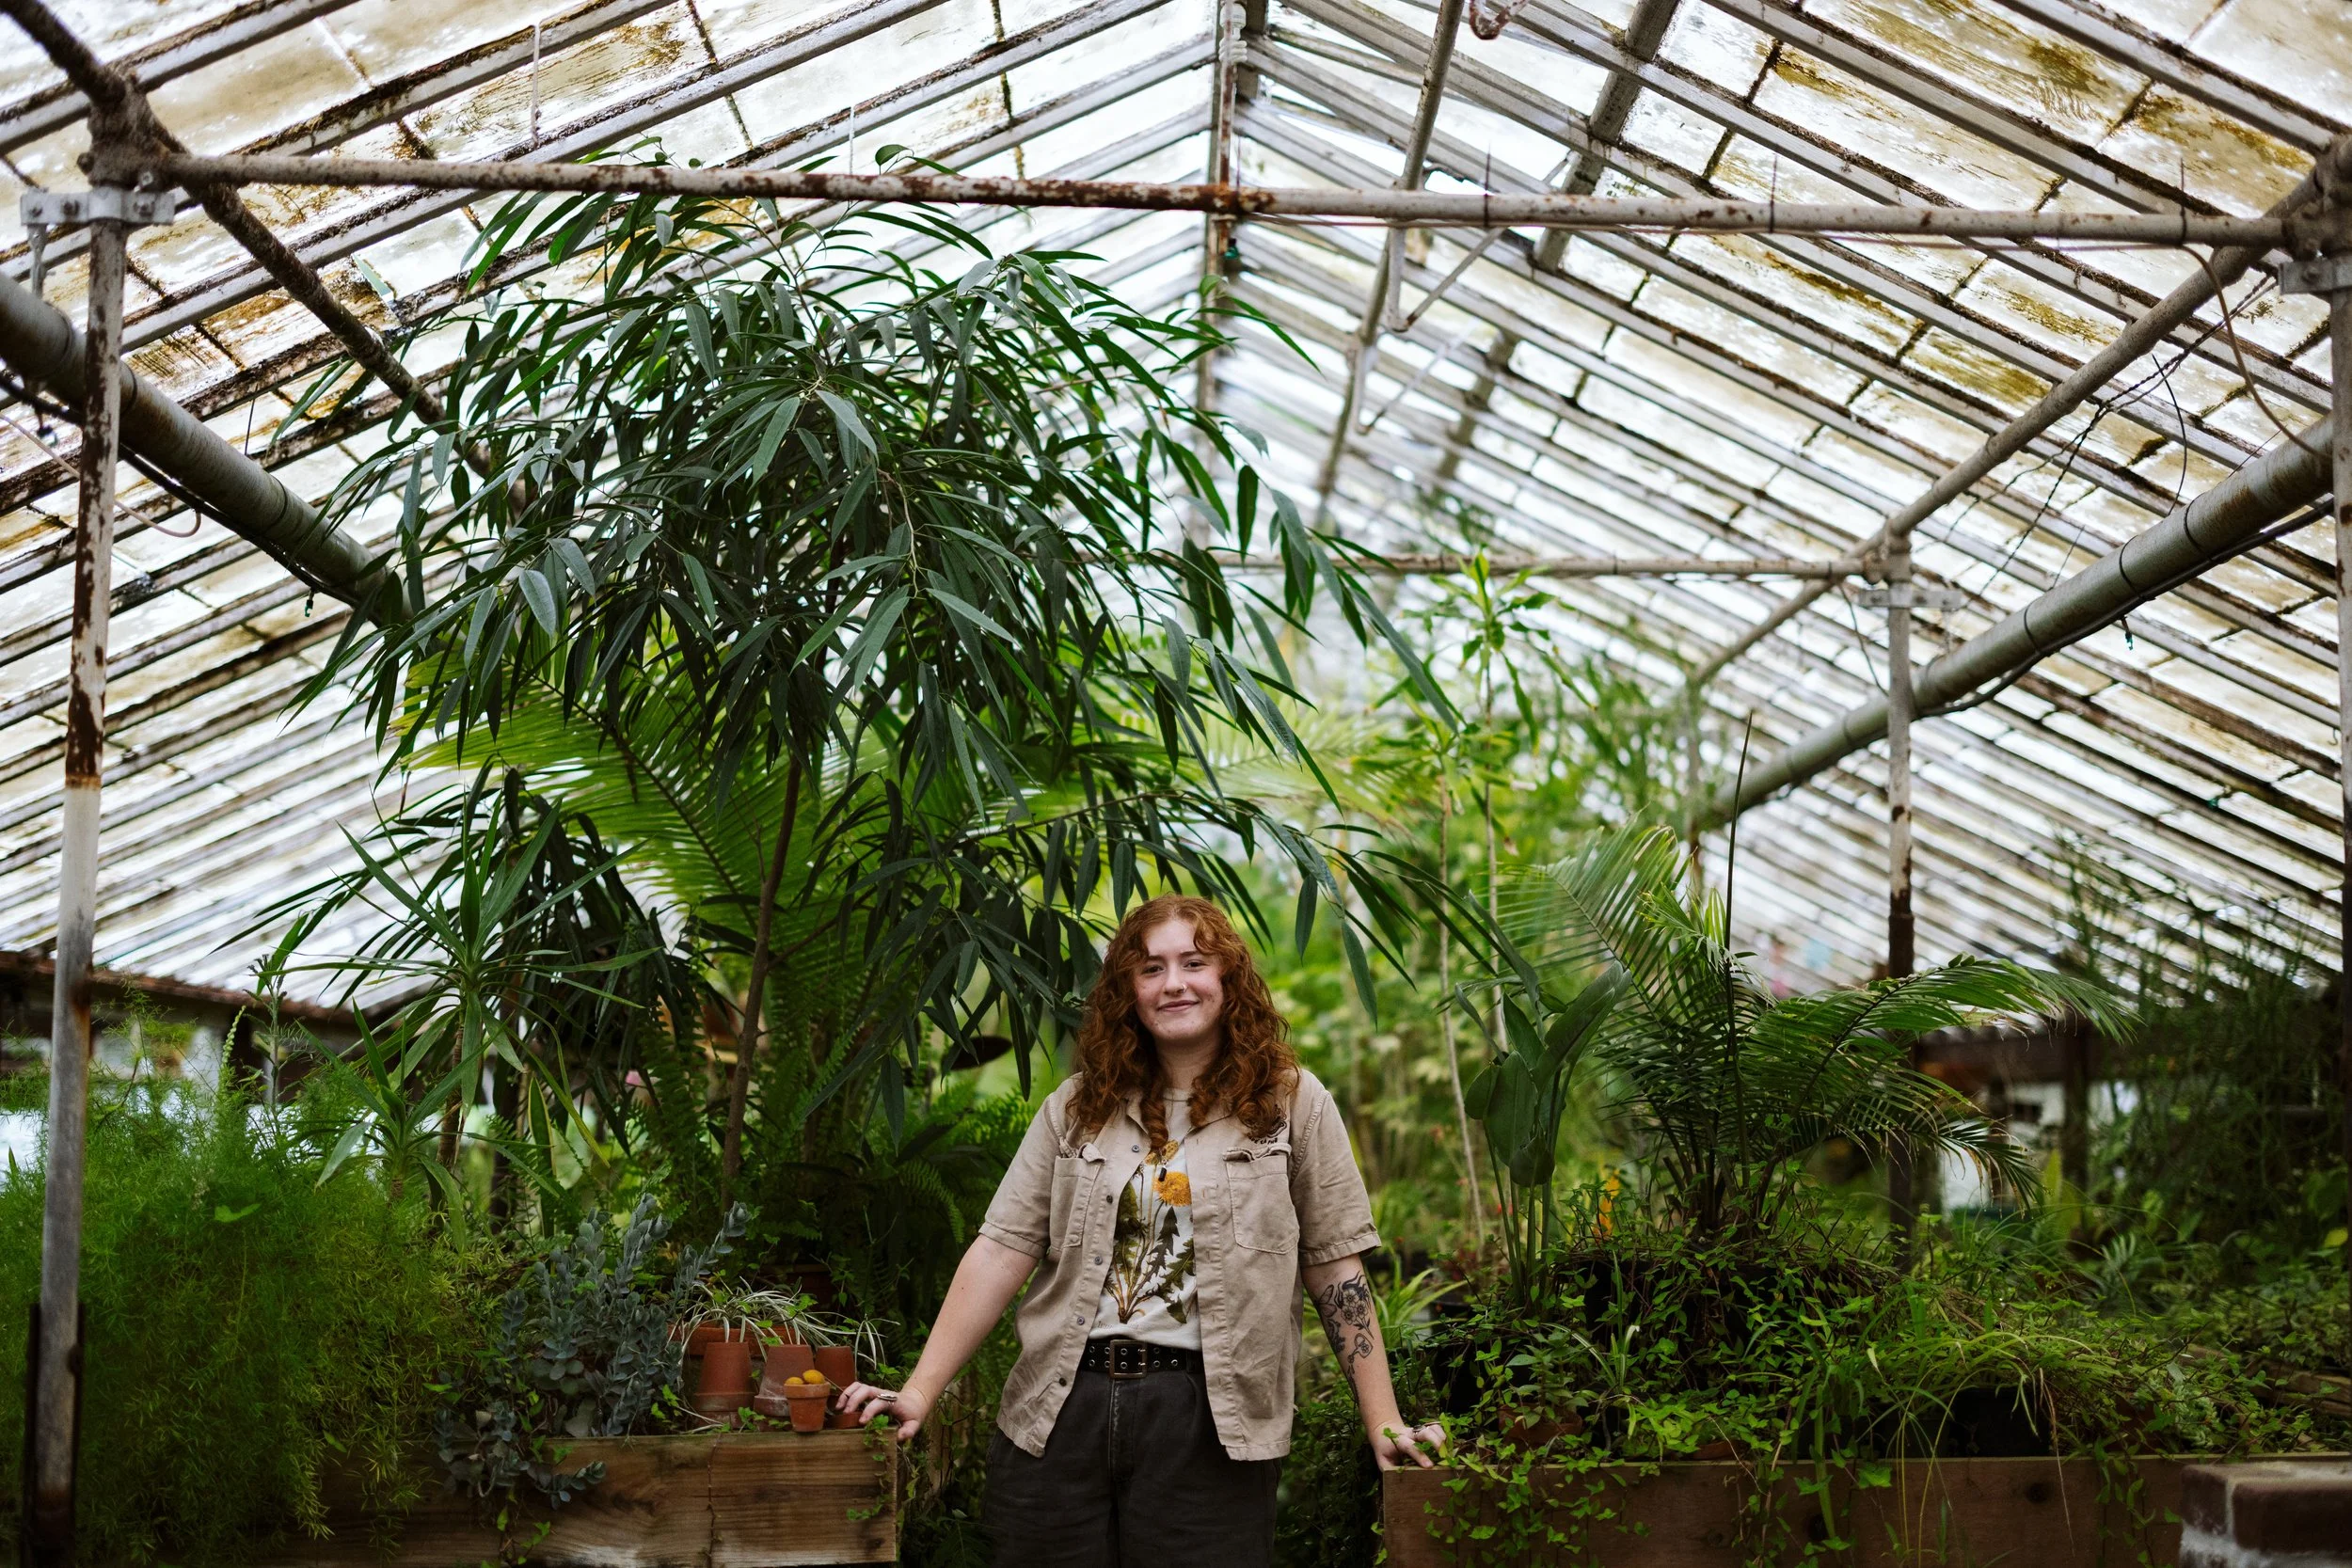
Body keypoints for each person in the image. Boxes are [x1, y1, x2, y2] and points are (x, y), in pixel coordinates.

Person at [835, 893, 1445, 1565]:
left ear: (1229, 979)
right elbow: (1001, 1247)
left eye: (1194, 962)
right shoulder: (1074, 1108)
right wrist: (919, 1389)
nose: (1174, 982)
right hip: (1059, 1415)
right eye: (1151, 968)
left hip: (1211, 1420)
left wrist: (1382, 1420)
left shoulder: (1292, 1102)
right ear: (1128, 989)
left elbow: (1336, 1268)